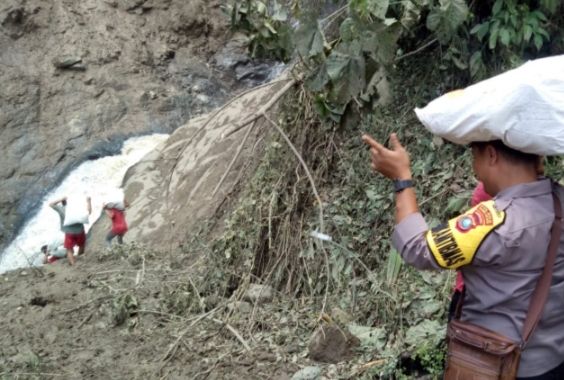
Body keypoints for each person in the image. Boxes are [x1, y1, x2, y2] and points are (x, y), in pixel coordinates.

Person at [362, 133, 564, 379]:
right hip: (554, 359)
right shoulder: (559, 200)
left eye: (474, 156)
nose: (474, 169)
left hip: (501, 366)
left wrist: (401, 177)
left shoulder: (493, 221)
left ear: (491, 154)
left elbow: (417, 248)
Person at [49, 196, 91, 265]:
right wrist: (89, 201)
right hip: (80, 231)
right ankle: (80, 258)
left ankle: (73, 264)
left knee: (69, 249)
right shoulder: (78, 209)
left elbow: (51, 204)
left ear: (63, 203)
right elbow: (89, 212)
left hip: (69, 233)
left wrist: (60, 199)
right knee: (81, 245)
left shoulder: (62, 209)